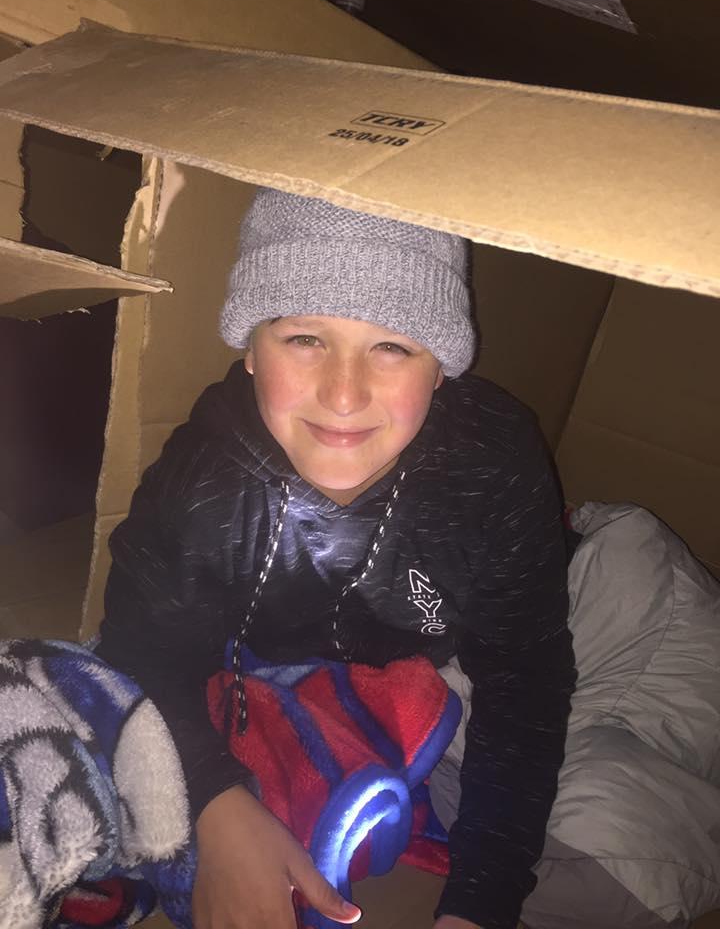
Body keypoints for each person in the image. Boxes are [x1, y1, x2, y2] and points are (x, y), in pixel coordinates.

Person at [96, 187, 576, 929]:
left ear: (442, 367)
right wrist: (217, 801)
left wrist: (482, 901)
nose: (344, 395)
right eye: (304, 339)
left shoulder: (494, 468)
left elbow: (523, 676)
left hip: (451, 646)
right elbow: (139, 648)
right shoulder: (204, 481)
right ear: (249, 349)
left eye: (393, 346)